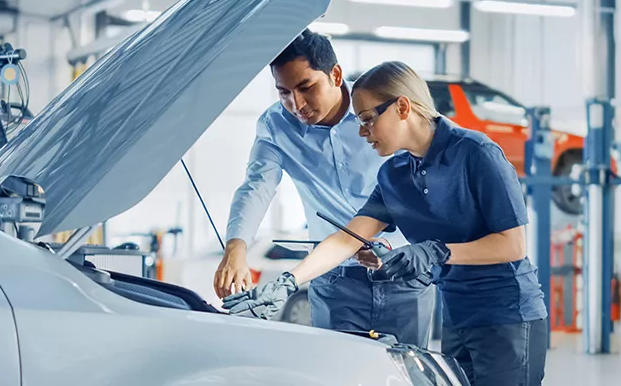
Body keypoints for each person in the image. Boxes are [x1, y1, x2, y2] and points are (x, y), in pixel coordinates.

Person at [223, 61, 548, 386]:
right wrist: (288, 282)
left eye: (367, 120)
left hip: (507, 314)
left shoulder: (476, 153)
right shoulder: (394, 175)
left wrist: (434, 252)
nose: (362, 132)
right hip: (456, 314)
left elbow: (512, 244)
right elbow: (347, 238)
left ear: (402, 107)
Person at [214, 29, 436, 348]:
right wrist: (236, 246)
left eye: (306, 87)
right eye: (284, 92)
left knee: (407, 374)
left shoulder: (381, 114)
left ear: (335, 74)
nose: (297, 104)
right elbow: (256, 187)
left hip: (403, 272)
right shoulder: (275, 126)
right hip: (334, 281)